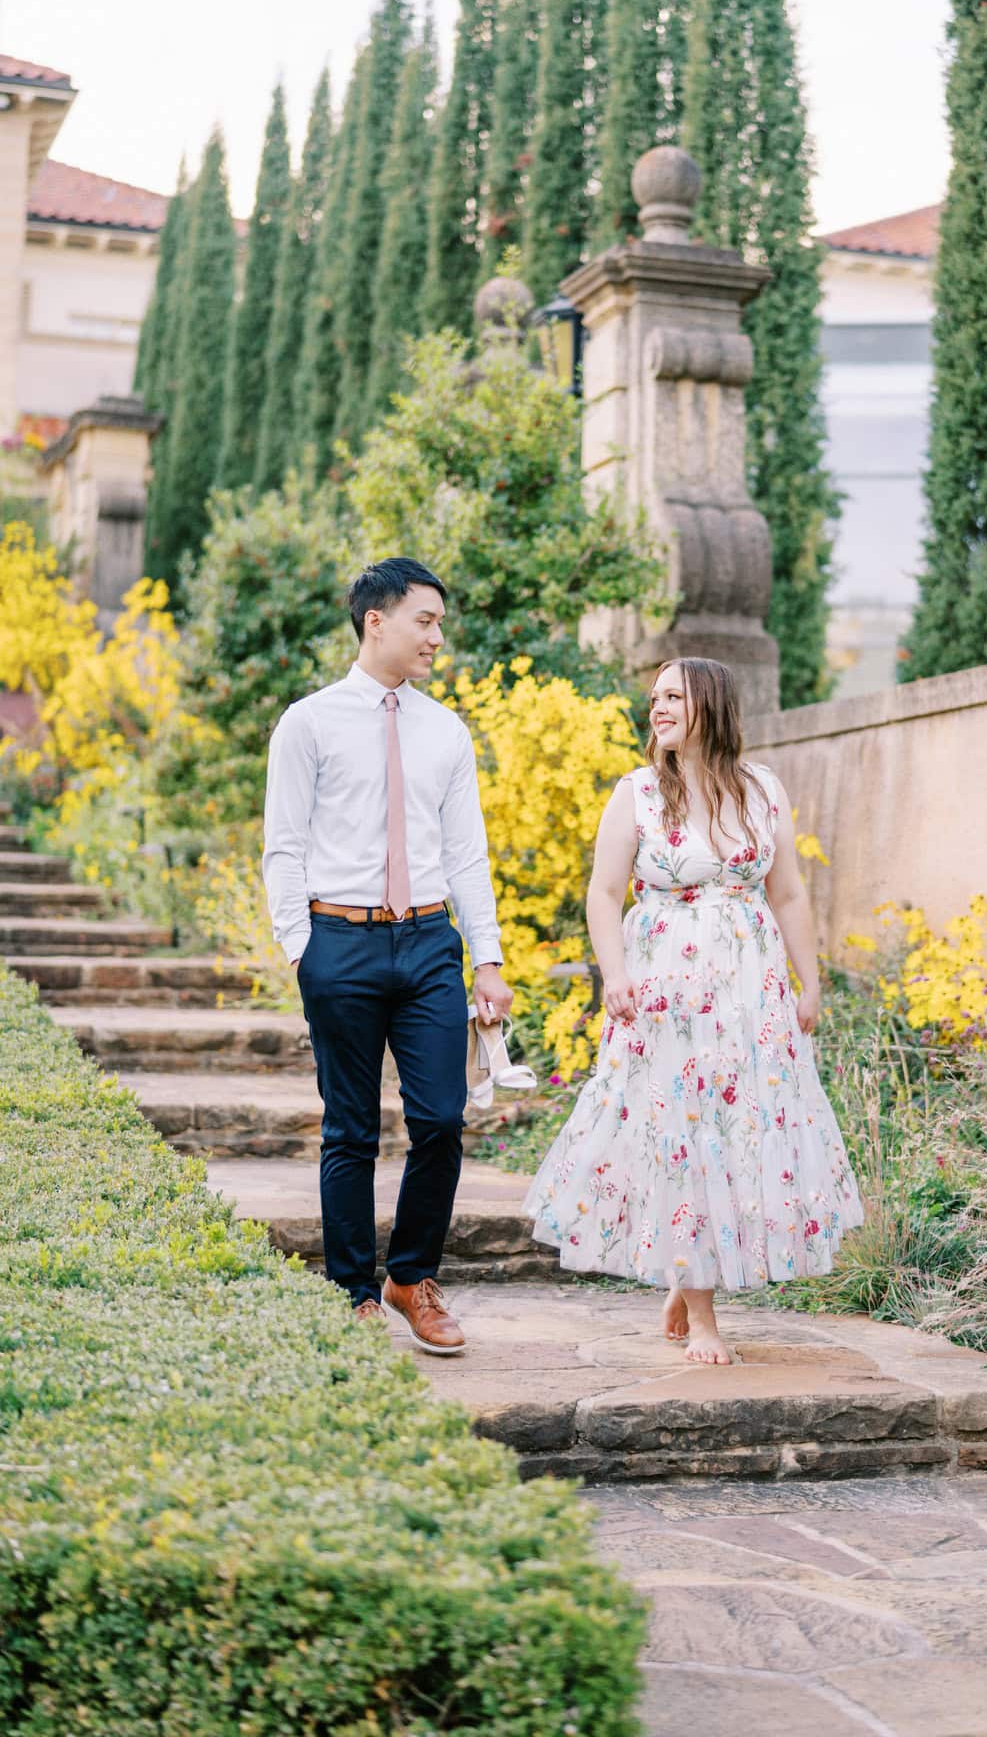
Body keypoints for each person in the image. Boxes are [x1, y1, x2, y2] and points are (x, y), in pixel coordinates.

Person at [524, 656, 862, 1364]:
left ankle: (690, 1272)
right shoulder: (639, 793)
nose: (659, 707)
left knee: (741, 1130)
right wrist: (613, 975)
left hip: (749, 993)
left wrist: (810, 981)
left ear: (710, 702)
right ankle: (704, 1314)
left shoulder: (762, 790)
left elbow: (790, 893)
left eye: (673, 695)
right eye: (654, 697)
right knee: (685, 1134)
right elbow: (602, 892)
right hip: (666, 994)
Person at [263, 557, 512, 1354]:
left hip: (430, 943)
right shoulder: (308, 722)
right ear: (377, 621)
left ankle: (411, 1278)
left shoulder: (446, 730)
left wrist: (490, 959)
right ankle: (351, 1291)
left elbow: (468, 855)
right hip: (339, 941)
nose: (438, 636)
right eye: (426, 620)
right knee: (351, 1129)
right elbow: (283, 847)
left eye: (439, 622)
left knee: (442, 1118)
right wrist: (303, 949)